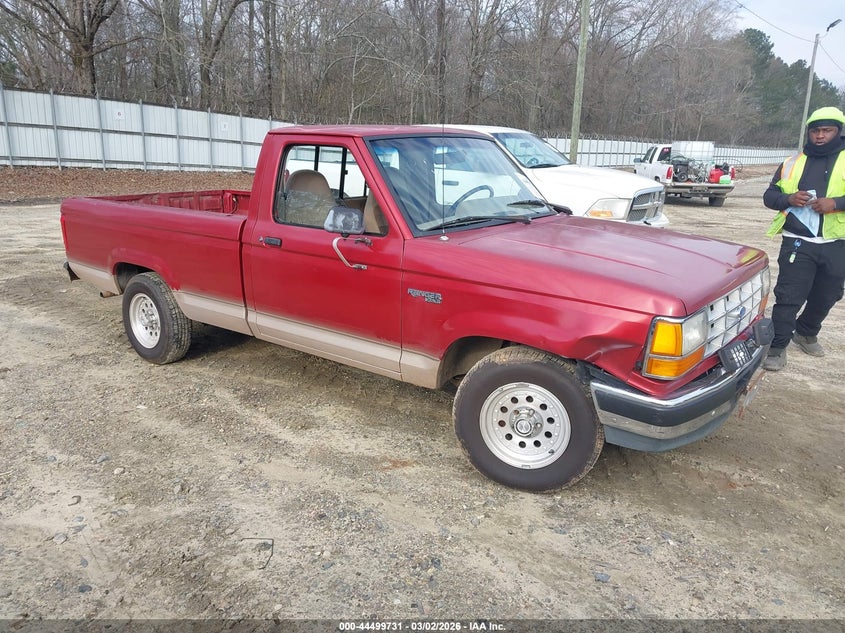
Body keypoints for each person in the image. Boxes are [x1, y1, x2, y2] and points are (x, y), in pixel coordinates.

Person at [761, 106, 845, 371]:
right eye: (815, 130)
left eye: (827, 130)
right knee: (789, 296)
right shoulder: (792, 162)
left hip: (837, 242)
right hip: (797, 240)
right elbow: (769, 196)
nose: (820, 136)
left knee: (829, 294)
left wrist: (837, 203)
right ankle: (777, 346)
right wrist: (788, 198)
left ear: (838, 132)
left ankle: (806, 332)